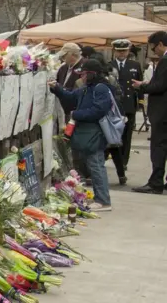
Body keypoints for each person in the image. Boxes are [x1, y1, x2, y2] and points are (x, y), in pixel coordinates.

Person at [49, 59, 113, 211]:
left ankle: (103, 201)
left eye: (83, 74)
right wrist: (56, 88)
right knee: (94, 165)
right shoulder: (86, 88)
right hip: (87, 132)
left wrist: (76, 114)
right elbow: (70, 97)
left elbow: (99, 110)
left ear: (92, 74)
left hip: (95, 132)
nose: (81, 77)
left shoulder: (101, 88)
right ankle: (101, 199)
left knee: (96, 166)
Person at [131, 31, 167, 194]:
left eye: (153, 48)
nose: (154, 51)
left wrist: (142, 86)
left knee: (158, 147)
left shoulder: (165, 60)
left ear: (160, 44)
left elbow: (160, 87)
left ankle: (155, 183)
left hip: (162, 112)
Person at [56, 43, 90, 182]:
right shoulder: (64, 68)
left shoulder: (84, 66)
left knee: (78, 142)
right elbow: (59, 83)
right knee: (68, 141)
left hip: (77, 108)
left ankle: (83, 171)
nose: (63, 58)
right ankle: (73, 169)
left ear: (74, 55)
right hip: (63, 108)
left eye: (66, 55)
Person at [93, 52, 127, 185]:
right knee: (114, 144)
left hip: (104, 114)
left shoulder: (101, 80)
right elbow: (119, 93)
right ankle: (121, 174)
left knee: (103, 145)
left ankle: (97, 174)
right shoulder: (111, 76)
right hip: (112, 114)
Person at [109, 39, 142, 170]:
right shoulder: (109, 65)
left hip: (129, 105)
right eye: (119, 51)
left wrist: (140, 101)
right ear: (114, 51)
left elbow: (139, 84)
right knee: (114, 134)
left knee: (127, 135)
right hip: (114, 105)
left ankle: (124, 162)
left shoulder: (135, 64)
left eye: (124, 51)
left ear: (128, 51)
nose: (122, 53)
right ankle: (116, 159)